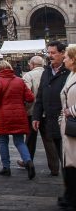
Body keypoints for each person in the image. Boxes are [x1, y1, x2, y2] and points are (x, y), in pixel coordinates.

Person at [0, 60, 35, 178]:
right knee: (19, 141)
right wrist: (21, 104)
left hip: (3, 115)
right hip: (19, 114)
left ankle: (6, 168)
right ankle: (28, 161)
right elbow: (30, 97)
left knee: (3, 141)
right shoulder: (19, 81)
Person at [32, 41, 69, 180]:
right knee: (60, 152)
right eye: (49, 53)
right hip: (51, 120)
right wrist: (36, 116)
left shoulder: (70, 71)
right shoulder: (46, 71)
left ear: (62, 53)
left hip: (67, 121)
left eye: (53, 53)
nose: (50, 56)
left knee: (68, 157)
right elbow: (40, 96)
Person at [20, 56, 59, 175]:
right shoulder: (49, 74)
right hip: (48, 112)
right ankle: (55, 167)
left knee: (30, 139)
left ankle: (27, 161)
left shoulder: (28, 75)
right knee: (49, 140)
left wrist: (25, 108)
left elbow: (26, 95)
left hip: (32, 112)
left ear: (32, 64)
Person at [59, 44, 76, 211]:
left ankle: (73, 200)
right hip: (69, 126)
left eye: (66, 57)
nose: (64, 59)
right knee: (70, 163)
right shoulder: (71, 74)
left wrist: (71, 111)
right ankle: (70, 196)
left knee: (73, 163)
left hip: (74, 124)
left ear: (73, 59)